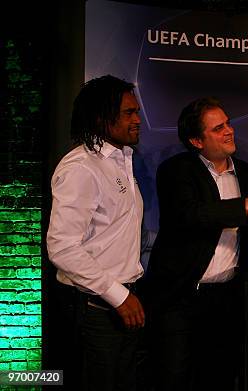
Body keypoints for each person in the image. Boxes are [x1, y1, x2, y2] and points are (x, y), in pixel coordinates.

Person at [145, 97, 248, 390]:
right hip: (179, 298)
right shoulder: (175, 170)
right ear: (196, 140)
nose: (229, 131)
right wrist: (246, 206)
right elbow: (193, 215)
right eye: (218, 128)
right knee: (174, 378)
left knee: (219, 377)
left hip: (226, 299)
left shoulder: (244, 171)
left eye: (228, 123)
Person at [46, 75, 145, 391]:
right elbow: (61, 248)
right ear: (103, 119)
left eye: (137, 111)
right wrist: (118, 295)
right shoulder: (81, 168)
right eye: (129, 113)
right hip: (95, 309)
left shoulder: (122, 158)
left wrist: (126, 295)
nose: (137, 119)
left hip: (123, 303)